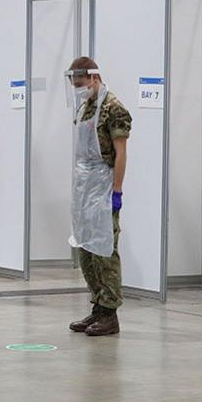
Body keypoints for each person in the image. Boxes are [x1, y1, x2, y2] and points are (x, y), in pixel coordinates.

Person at [64, 58, 131, 337]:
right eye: (74, 85)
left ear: (94, 78)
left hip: (103, 184)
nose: (78, 89)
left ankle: (110, 312)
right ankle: (97, 305)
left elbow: (120, 153)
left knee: (104, 250)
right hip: (84, 186)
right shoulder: (85, 106)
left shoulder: (113, 108)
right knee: (85, 248)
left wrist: (116, 191)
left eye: (80, 84)